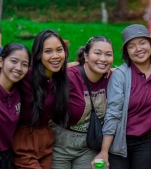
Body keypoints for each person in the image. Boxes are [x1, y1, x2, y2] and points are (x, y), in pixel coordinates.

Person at [92, 24, 151, 169]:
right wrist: (104, 151)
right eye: (131, 46)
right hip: (119, 140)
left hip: (146, 142)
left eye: (142, 43)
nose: (138, 49)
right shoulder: (121, 75)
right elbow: (113, 113)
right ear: (126, 52)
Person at [50, 36, 114, 169]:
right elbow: (37, 79)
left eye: (108, 55)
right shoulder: (68, 77)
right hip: (59, 144)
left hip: (89, 144)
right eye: (97, 53)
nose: (103, 59)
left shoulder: (113, 78)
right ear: (86, 55)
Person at [0, 42, 31, 169]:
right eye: (13, 61)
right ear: (1, 61)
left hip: (9, 158)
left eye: (24, 64)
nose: (19, 68)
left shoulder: (19, 91)